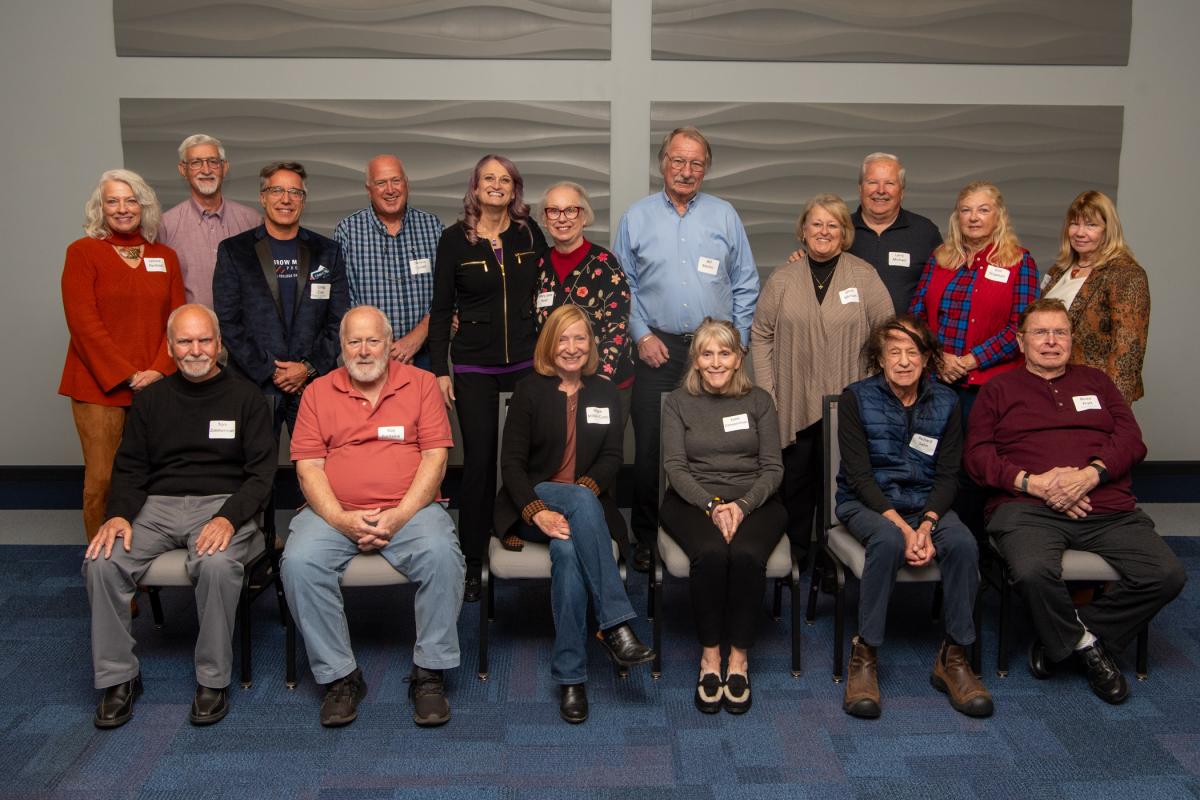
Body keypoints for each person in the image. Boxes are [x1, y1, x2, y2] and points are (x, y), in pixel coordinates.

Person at [965, 298, 1185, 705]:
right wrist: (1034, 484)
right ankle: (1086, 648)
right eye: (1040, 333)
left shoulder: (1098, 382)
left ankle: (1069, 636)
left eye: (1060, 332)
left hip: (1105, 507)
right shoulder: (998, 390)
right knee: (1032, 572)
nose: (1051, 341)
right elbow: (977, 457)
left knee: (1167, 574)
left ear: (1071, 339)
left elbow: (1131, 440)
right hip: (1027, 509)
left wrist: (1089, 476)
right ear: (1021, 341)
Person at [85, 304, 275, 729]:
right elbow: (130, 467)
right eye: (185, 342)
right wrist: (118, 514)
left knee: (216, 564)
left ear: (219, 344)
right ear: (170, 348)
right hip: (156, 507)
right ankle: (118, 679)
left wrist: (228, 518)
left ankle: (212, 680)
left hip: (223, 505)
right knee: (102, 561)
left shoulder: (246, 397)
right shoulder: (151, 400)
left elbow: (261, 475)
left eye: (204, 340)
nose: (195, 350)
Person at [281, 305, 466, 728]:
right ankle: (340, 677)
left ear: (389, 343)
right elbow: (309, 468)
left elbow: (435, 459)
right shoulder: (317, 392)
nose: (364, 350)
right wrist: (340, 519)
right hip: (333, 511)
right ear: (342, 346)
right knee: (299, 562)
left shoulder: (421, 384)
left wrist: (399, 515)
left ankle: (429, 671)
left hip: (411, 509)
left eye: (372, 341)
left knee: (442, 555)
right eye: (354, 342)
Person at [495, 306, 654, 723]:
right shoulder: (529, 390)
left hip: (583, 506)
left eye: (579, 338)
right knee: (580, 504)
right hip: (535, 498)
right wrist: (537, 512)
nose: (571, 347)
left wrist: (582, 491)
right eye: (562, 339)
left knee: (567, 553)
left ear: (590, 344)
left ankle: (571, 678)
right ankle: (616, 625)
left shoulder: (605, 392)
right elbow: (511, 465)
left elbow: (612, 457)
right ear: (549, 345)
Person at [614, 126, 760, 572]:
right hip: (655, 350)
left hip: (712, 356)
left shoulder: (724, 215)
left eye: (696, 163)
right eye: (678, 160)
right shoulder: (637, 216)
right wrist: (641, 334)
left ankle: (706, 528)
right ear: (663, 164)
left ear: (706, 169)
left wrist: (736, 344)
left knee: (714, 446)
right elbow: (622, 285)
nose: (686, 170)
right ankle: (646, 537)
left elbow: (746, 282)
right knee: (651, 449)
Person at [835, 315, 991, 719]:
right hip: (866, 502)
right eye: (894, 353)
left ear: (926, 358)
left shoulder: (947, 402)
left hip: (925, 503)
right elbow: (859, 476)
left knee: (963, 543)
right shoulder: (856, 399)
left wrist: (926, 523)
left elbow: (948, 475)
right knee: (887, 540)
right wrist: (905, 529)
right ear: (880, 359)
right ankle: (865, 654)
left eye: (912, 353)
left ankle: (954, 656)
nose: (903, 361)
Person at [428, 154, 547, 602]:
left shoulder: (529, 233)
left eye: (505, 180)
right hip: (474, 365)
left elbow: (548, 290)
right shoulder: (453, 240)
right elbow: (441, 309)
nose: (497, 185)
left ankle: (516, 529)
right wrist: (440, 369)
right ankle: (473, 559)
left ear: (515, 189)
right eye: (488, 179)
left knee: (525, 458)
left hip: (526, 362)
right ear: (475, 188)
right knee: (479, 462)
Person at [751, 193, 892, 558]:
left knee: (839, 492)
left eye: (833, 225)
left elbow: (887, 336)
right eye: (816, 223)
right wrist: (768, 394)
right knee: (794, 491)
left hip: (848, 407)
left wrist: (871, 393)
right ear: (803, 230)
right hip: (793, 404)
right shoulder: (783, 278)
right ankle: (793, 564)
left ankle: (834, 568)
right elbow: (761, 334)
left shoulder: (864, 276)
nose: (824, 231)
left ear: (845, 232)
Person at [659, 318, 786, 715]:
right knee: (712, 554)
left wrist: (742, 506)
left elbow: (773, 468)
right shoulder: (678, 402)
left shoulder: (759, 401)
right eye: (707, 354)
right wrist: (713, 506)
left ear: (738, 359)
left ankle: (739, 660)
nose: (715, 362)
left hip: (755, 501)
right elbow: (675, 468)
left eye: (724, 353)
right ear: (696, 360)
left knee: (746, 555)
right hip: (692, 500)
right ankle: (710, 656)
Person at [59, 169, 185, 542]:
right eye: (112, 201)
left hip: (156, 385)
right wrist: (126, 374)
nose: (122, 208)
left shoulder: (165, 256)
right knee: (102, 480)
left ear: (144, 206)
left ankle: (144, 551)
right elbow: (83, 323)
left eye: (131, 200)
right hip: (99, 387)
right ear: (100, 208)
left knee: (155, 475)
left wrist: (159, 370)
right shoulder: (82, 252)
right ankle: (102, 561)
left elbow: (177, 321)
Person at [909, 180, 1038, 536]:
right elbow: (917, 313)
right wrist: (939, 357)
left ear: (999, 215)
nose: (974, 217)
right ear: (957, 216)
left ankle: (975, 547)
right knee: (929, 459)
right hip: (937, 380)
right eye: (966, 210)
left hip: (987, 388)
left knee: (975, 469)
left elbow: (1021, 328)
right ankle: (930, 538)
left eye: (983, 210)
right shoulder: (941, 258)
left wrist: (969, 360)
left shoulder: (1019, 261)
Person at [213, 161, 350, 435]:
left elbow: (339, 320)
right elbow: (228, 321)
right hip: (254, 383)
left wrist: (307, 368)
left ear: (303, 200)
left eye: (294, 192)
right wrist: (270, 370)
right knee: (256, 461)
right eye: (277, 190)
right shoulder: (234, 251)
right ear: (263, 197)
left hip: (311, 383)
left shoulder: (328, 251)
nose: (286, 199)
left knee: (317, 459)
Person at [334, 154, 444, 370]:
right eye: (381, 183)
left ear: (406, 184)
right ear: (369, 189)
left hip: (425, 355)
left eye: (396, 180)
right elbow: (343, 299)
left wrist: (416, 338)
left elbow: (448, 291)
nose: (390, 189)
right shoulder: (348, 231)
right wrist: (382, 347)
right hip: (368, 357)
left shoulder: (432, 227)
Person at [1041, 190, 1149, 404]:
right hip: (1049, 386)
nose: (1080, 233)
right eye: (1075, 224)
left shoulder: (1125, 274)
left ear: (1108, 230)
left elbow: (1128, 352)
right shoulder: (1058, 271)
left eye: (1091, 225)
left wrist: (1115, 407)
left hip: (1092, 393)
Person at [158, 133, 260, 308]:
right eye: (196, 162)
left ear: (224, 167)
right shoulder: (165, 226)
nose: (206, 170)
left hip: (244, 324)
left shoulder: (252, 221)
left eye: (213, 161)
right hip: (191, 325)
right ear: (183, 170)